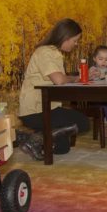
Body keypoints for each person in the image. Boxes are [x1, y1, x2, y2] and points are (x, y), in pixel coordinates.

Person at [18, 18, 90, 160]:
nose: (76, 44)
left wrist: (76, 77)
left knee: (62, 149)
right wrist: (77, 78)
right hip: (36, 111)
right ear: (66, 37)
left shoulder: (53, 52)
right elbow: (59, 80)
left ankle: (34, 136)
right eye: (75, 40)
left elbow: (59, 79)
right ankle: (37, 138)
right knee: (83, 122)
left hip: (47, 107)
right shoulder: (45, 52)